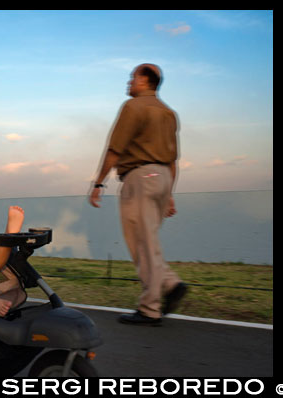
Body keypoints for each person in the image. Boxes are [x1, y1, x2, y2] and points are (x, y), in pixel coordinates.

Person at [89, 63, 187, 326]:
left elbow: (115, 149)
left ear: (145, 81)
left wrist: (98, 183)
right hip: (163, 178)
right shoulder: (169, 113)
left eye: (133, 78)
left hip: (140, 177)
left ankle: (150, 308)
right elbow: (173, 160)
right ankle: (169, 283)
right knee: (149, 241)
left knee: (142, 243)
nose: (129, 82)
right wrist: (169, 194)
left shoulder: (133, 107)